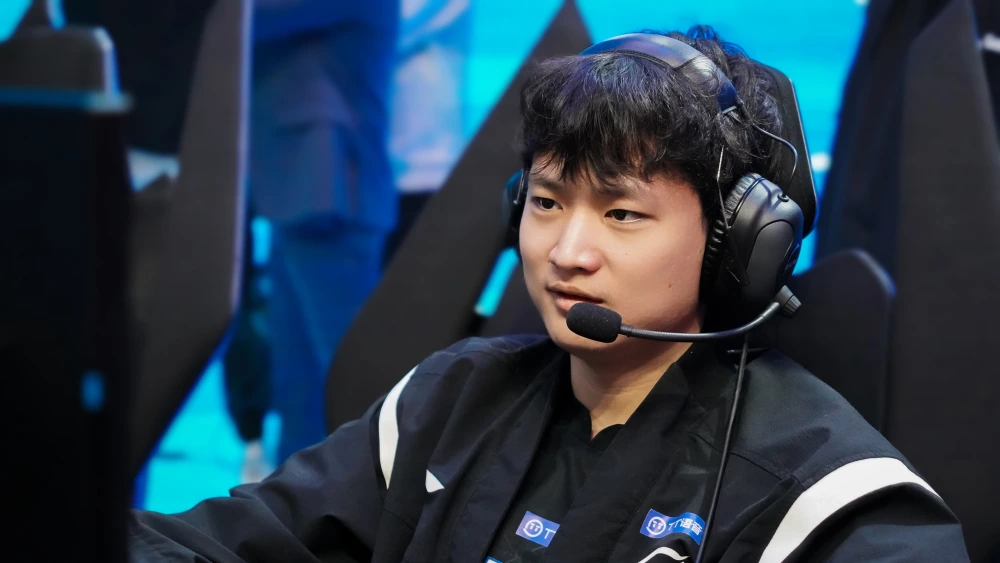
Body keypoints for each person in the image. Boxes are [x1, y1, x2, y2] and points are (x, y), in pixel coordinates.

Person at [127, 27, 969, 562]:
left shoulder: (833, 499)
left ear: (740, 244)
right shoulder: (450, 402)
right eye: (546, 202)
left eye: (622, 213)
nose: (567, 252)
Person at [249, 0, 400, 463]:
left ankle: (385, 499)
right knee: (300, 388)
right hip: (302, 195)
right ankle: (292, 502)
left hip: (331, 199)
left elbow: (248, 16)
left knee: (354, 388)